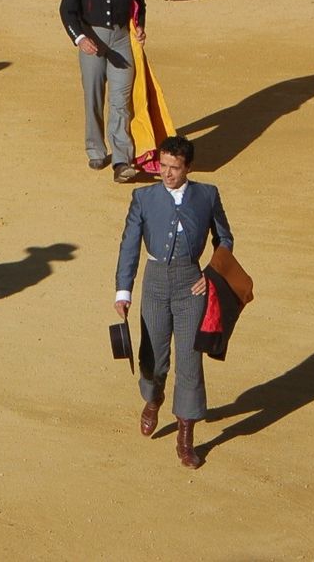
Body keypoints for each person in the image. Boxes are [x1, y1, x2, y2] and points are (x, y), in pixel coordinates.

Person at [114, 134, 234, 469]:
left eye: (174, 168)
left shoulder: (207, 196)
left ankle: (185, 437)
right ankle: (153, 399)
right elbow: (129, 245)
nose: (167, 174)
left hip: (190, 285)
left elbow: (224, 237)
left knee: (190, 362)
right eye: (163, 166)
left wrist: (209, 274)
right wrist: (123, 291)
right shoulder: (143, 197)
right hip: (154, 282)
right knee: (153, 356)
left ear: (188, 168)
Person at [60, 0, 146, 184]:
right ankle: (96, 149)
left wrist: (140, 24)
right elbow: (67, 11)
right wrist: (80, 38)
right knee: (94, 97)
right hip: (92, 41)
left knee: (121, 101)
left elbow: (139, 1)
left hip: (120, 40)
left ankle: (122, 160)